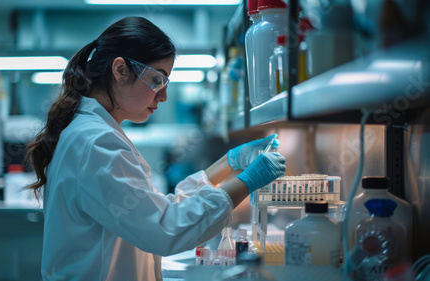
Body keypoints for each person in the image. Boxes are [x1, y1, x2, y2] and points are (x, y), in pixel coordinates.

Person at [25, 16, 286, 281]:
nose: (162, 96)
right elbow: (164, 229)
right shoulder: (96, 143)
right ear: (120, 70)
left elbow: (157, 212)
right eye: (156, 80)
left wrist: (229, 163)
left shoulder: (92, 133)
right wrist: (248, 180)